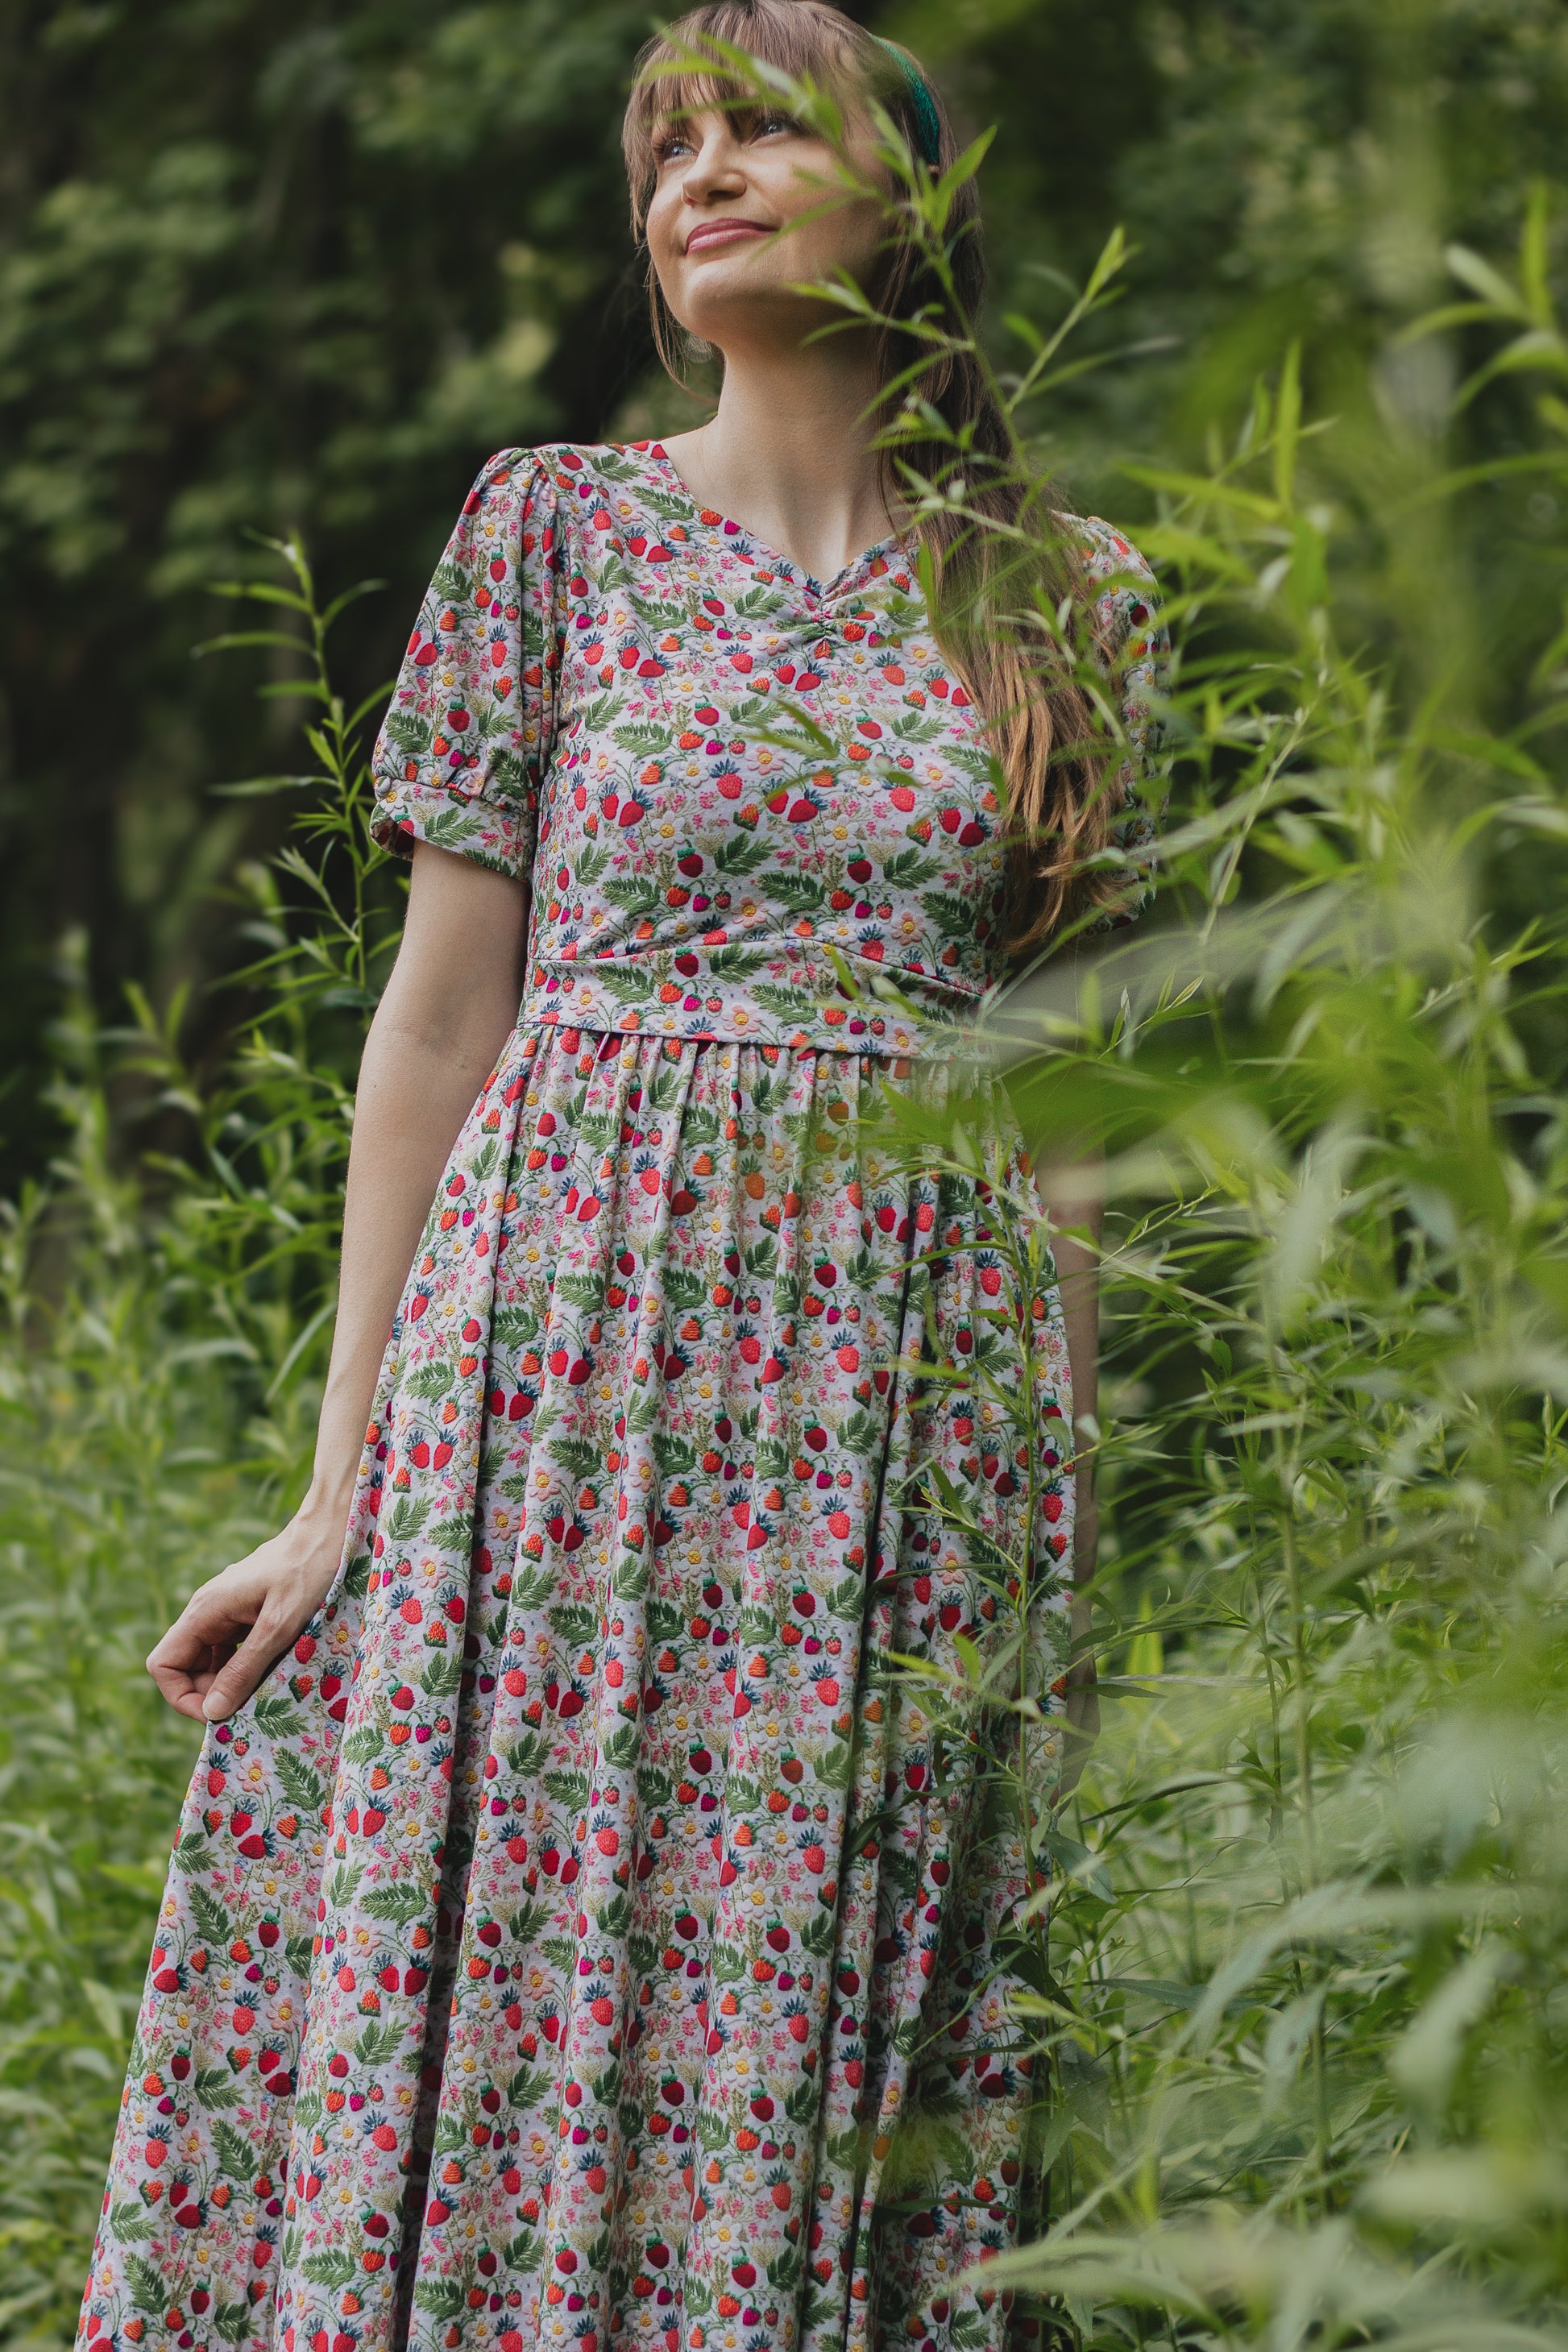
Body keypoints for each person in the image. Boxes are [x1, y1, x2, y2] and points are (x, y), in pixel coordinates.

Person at [80, 6, 1166, 2350]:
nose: (702, 167)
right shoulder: (551, 526)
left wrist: (1056, 1516)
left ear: (921, 196)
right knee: (516, 1923)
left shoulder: (1066, 597)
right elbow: (442, 1022)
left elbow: (1055, 1090)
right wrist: (331, 1486)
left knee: (808, 1967)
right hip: (560, 1360)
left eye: (766, 122)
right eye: (668, 140)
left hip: (899, 1406)